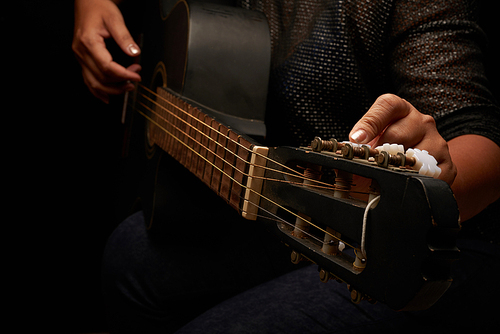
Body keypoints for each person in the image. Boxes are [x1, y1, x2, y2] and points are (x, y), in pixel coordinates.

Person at [73, 0, 500, 332]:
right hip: (280, 208)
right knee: (127, 255)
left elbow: (481, 141)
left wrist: (427, 171)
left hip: (410, 248)